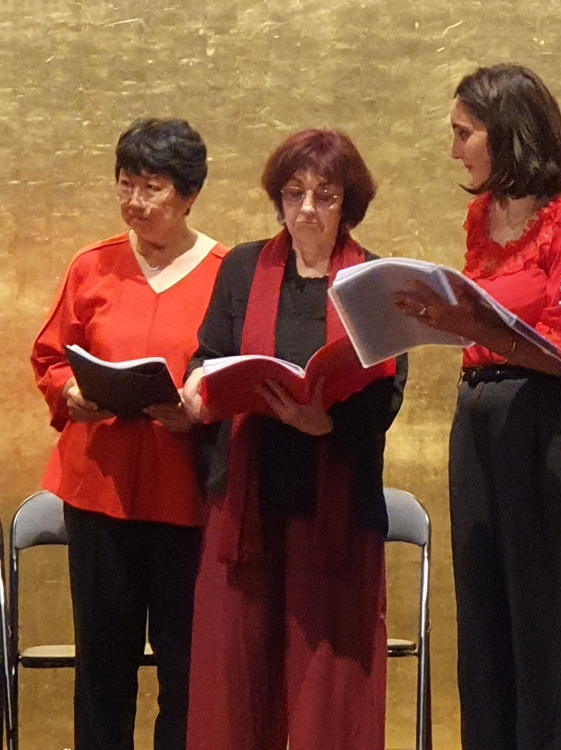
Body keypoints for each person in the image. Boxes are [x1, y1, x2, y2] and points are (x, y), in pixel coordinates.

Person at [393, 63, 561, 750]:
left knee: (557, 626)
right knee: (488, 621)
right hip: (483, 421)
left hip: (559, 424)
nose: (454, 150)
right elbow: (490, 323)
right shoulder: (481, 215)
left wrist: (468, 325)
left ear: (508, 132)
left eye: (464, 133)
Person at [181, 129, 407, 750]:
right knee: (235, 687)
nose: (307, 208)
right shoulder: (243, 267)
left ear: (348, 203)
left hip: (333, 504)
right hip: (246, 504)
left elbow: (388, 390)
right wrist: (197, 386)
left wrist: (326, 423)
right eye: (294, 193)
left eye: (324, 195)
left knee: (326, 692)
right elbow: (208, 354)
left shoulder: (373, 280)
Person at [30, 118, 226, 750]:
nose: (135, 201)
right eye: (126, 184)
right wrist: (71, 392)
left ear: (190, 194)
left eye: (152, 187)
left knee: (186, 673)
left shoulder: (227, 273)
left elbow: (238, 372)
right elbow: (51, 357)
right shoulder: (93, 265)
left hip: (187, 497)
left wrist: (199, 408)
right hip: (99, 493)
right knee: (102, 669)